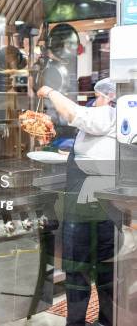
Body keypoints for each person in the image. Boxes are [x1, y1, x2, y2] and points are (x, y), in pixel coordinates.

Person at [37, 78, 116, 326]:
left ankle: (80, 322)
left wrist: (50, 91)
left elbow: (72, 112)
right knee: (105, 267)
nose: (95, 102)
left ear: (109, 97)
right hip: (102, 200)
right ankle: (106, 320)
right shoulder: (111, 117)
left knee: (78, 266)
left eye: (98, 97)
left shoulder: (110, 113)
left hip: (89, 201)